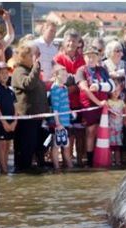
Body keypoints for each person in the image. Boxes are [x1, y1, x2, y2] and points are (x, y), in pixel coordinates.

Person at [11, 43, 49, 172]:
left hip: (37, 116)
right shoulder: (19, 71)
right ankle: (23, 168)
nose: (35, 57)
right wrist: (36, 67)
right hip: (26, 117)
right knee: (26, 145)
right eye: (32, 55)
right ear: (24, 56)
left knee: (37, 143)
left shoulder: (31, 70)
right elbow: (28, 84)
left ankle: (34, 165)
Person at [76, 46, 114, 166]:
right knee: (91, 131)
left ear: (98, 57)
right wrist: (98, 103)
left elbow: (111, 85)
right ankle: (90, 160)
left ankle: (102, 158)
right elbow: (85, 89)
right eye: (88, 56)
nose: (91, 59)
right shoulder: (81, 70)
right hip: (89, 106)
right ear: (84, 57)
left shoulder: (102, 70)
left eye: (93, 56)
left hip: (103, 106)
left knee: (102, 131)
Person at [53, 29, 86, 166]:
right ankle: (68, 161)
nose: (71, 43)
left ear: (79, 43)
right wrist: (72, 87)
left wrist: (76, 86)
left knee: (80, 133)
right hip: (63, 104)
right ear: (65, 42)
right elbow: (58, 80)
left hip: (79, 102)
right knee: (67, 135)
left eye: (74, 41)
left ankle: (79, 161)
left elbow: (84, 79)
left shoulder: (82, 58)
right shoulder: (58, 58)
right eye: (69, 41)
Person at [49, 64, 74, 170]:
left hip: (66, 121)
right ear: (56, 75)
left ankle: (68, 166)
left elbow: (65, 104)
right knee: (56, 145)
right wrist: (57, 123)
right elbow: (55, 108)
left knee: (65, 145)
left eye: (66, 75)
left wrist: (71, 112)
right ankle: (57, 167)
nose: (65, 77)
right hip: (59, 123)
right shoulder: (55, 89)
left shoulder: (64, 88)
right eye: (62, 75)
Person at [0, 62, 17, 174]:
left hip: (11, 123)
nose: (5, 75)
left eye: (6, 72)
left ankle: (5, 168)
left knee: (8, 145)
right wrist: (4, 122)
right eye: (2, 72)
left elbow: (15, 108)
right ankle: (4, 170)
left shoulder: (11, 90)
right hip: (0, 123)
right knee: (2, 145)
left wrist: (14, 122)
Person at [107, 81, 125, 166]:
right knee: (111, 146)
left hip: (119, 128)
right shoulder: (108, 102)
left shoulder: (121, 102)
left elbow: (125, 112)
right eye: (113, 90)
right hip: (111, 128)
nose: (115, 93)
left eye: (117, 90)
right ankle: (111, 161)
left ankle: (118, 161)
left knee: (118, 146)